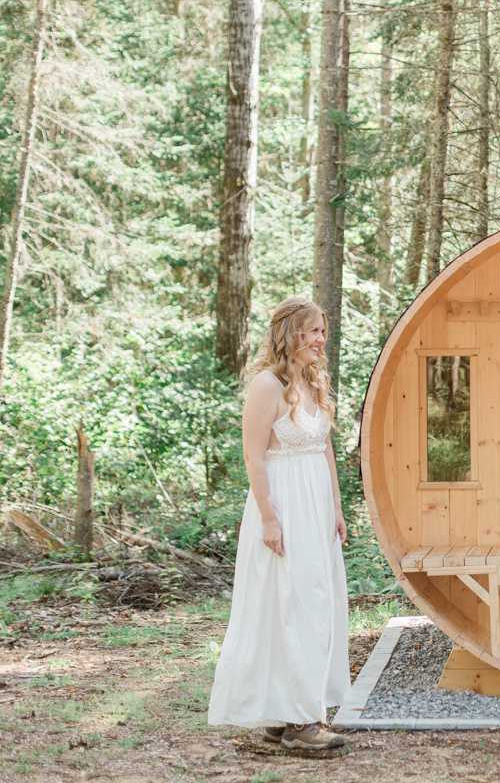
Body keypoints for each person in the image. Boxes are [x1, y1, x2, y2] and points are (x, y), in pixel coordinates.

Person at [207, 297, 352, 750]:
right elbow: (253, 455)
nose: (319, 340)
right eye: (310, 331)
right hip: (283, 504)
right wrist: (269, 519)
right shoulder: (267, 384)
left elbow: (325, 448)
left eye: (322, 332)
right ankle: (298, 723)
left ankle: (290, 712)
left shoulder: (314, 381)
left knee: (318, 603)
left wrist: (337, 507)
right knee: (288, 605)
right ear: (288, 333)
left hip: (316, 507)